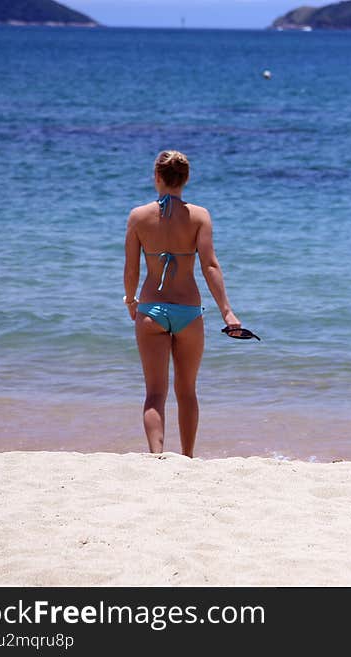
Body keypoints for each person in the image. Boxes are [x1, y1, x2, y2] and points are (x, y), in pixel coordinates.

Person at [123, 150, 242, 457]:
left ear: (157, 177)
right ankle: (187, 457)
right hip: (189, 312)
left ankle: (157, 456)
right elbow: (210, 266)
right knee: (187, 391)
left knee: (155, 393)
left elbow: (131, 269)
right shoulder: (200, 216)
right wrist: (227, 311)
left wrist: (130, 299)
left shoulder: (138, 216)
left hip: (150, 311)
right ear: (186, 178)